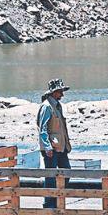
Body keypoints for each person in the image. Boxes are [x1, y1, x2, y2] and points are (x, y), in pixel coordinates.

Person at [37, 78, 72, 208]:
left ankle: (58, 197)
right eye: (60, 91)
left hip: (61, 146)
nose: (62, 94)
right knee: (50, 176)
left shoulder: (58, 106)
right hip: (51, 148)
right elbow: (43, 129)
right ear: (54, 92)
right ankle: (49, 203)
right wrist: (47, 147)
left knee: (66, 171)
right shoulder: (46, 107)